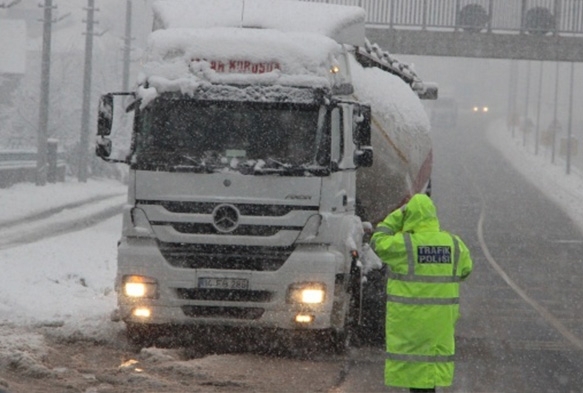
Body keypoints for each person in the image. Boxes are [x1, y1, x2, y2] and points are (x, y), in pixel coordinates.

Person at [370, 194, 473, 393]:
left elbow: (377, 241)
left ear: (410, 216)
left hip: (410, 325)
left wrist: (397, 216)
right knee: (429, 376)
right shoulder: (454, 244)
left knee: (416, 376)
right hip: (440, 325)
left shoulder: (404, 245)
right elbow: (466, 270)